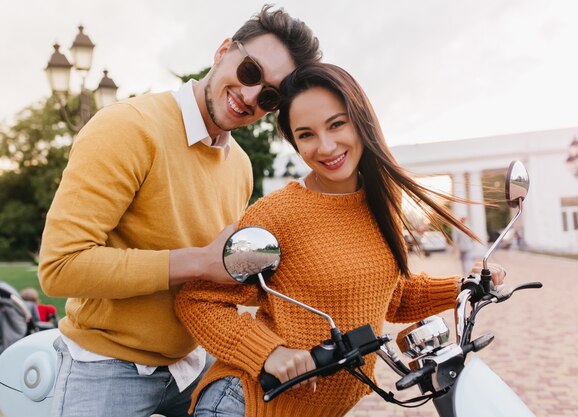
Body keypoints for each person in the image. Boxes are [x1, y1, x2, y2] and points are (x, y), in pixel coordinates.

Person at [175, 63, 506, 417]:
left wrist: (465, 284)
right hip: (247, 405)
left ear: (360, 119)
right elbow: (198, 300)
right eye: (306, 135)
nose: (327, 146)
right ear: (293, 140)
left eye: (336, 124)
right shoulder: (276, 216)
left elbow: (388, 296)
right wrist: (268, 352)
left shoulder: (381, 205)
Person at [38, 6, 321, 417]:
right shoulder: (127, 127)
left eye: (270, 96)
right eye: (249, 71)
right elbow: (59, 268)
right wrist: (201, 263)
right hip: (106, 367)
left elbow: (220, 278)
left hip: (192, 366)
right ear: (223, 50)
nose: (250, 95)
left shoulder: (240, 166)